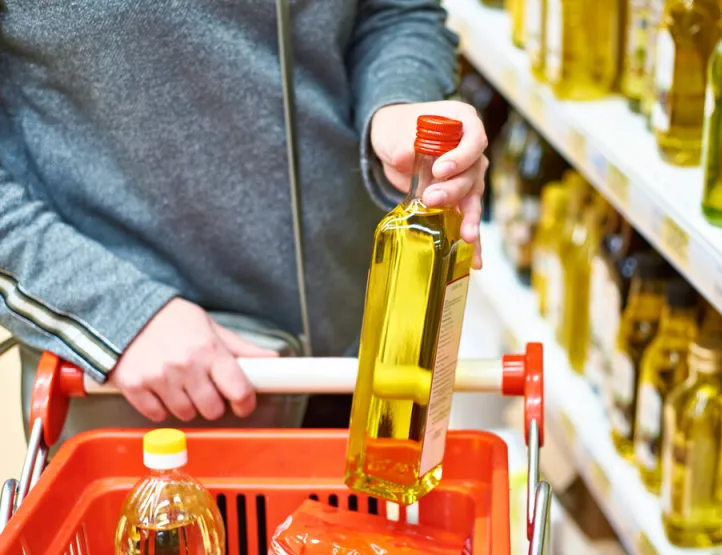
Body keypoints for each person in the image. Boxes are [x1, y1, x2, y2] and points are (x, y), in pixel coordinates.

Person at [0, 1, 488, 441]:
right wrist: (114, 313)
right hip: (147, 383)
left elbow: (395, 12)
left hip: (363, 348)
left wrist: (400, 104)